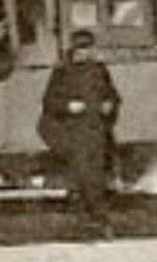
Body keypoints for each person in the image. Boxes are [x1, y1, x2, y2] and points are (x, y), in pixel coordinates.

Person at [38, 29, 122, 238]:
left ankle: (100, 224)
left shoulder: (100, 70)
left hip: (97, 131)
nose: (85, 53)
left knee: (97, 179)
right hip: (74, 132)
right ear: (73, 51)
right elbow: (49, 103)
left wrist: (109, 105)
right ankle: (86, 224)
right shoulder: (62, 72)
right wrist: (68, 106)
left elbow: (113, 95)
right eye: (81, 49)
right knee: (82, 179)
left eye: (88, 49)